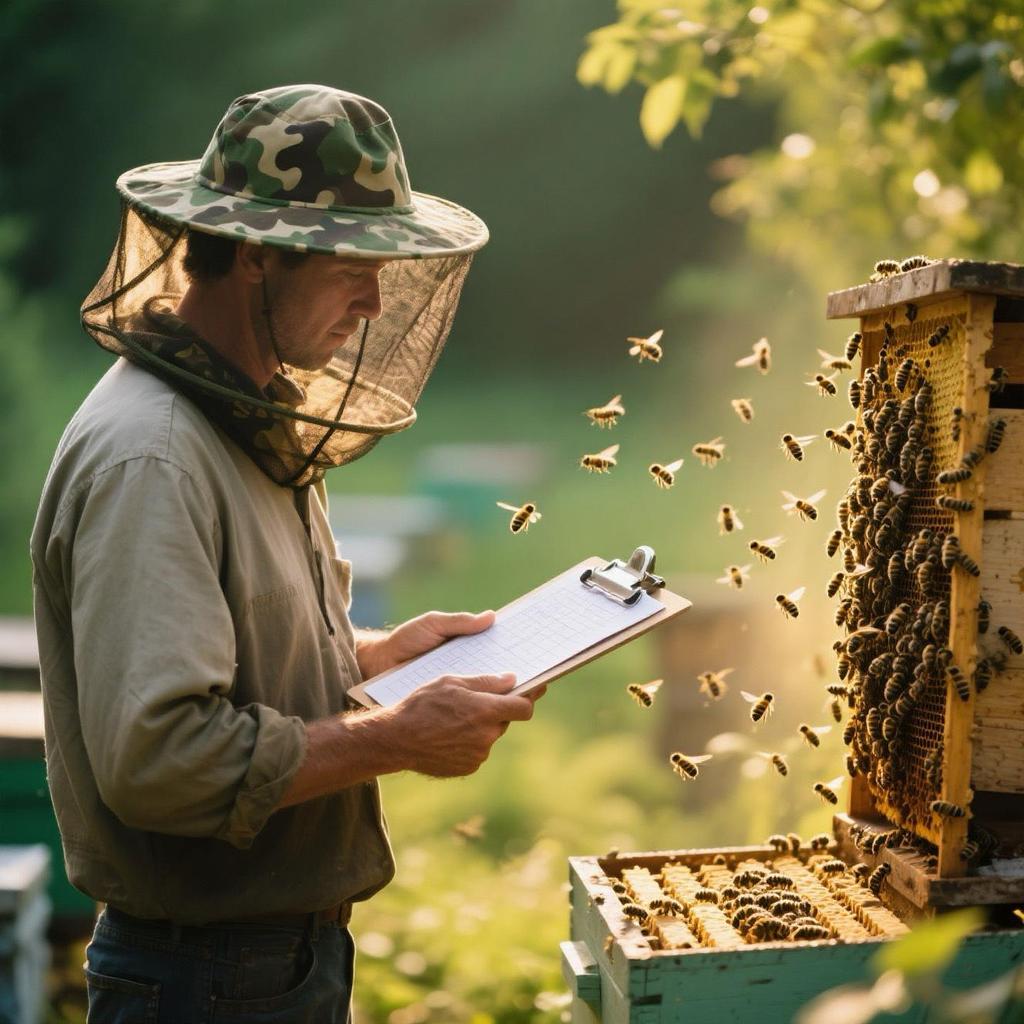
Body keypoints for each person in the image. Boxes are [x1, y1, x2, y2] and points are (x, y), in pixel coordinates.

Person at [30, 84, 544, 1023]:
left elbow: (239, 652)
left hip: (263, 967)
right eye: (354, 262)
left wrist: (374, 658)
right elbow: (161, 760)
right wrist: (392, 737)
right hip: (203, 983)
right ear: (260, 256)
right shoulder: (156, 454)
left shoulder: (239, 413)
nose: (377, 299)